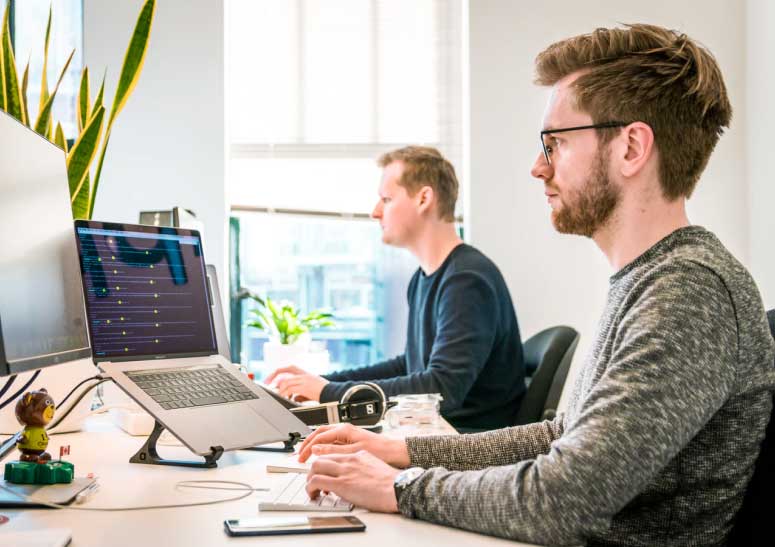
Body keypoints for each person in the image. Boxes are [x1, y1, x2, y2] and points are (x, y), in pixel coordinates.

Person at [293, 24, 775, 546]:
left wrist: (401, 487)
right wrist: (404, 452)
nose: (538, 167)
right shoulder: (651, 279)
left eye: (555, 143)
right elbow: (560, 437)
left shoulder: (688, 292)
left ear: (631, 147)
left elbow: (561, 499)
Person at [265, 146, 527, 431]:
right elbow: (410, 365)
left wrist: (329, 393)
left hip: (464, 443)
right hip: (433, 432)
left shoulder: (466, 281)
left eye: (386, 199)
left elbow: (441, 390)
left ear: (424, 199)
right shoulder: (426, 278)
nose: (375, 212)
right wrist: (326, 383)